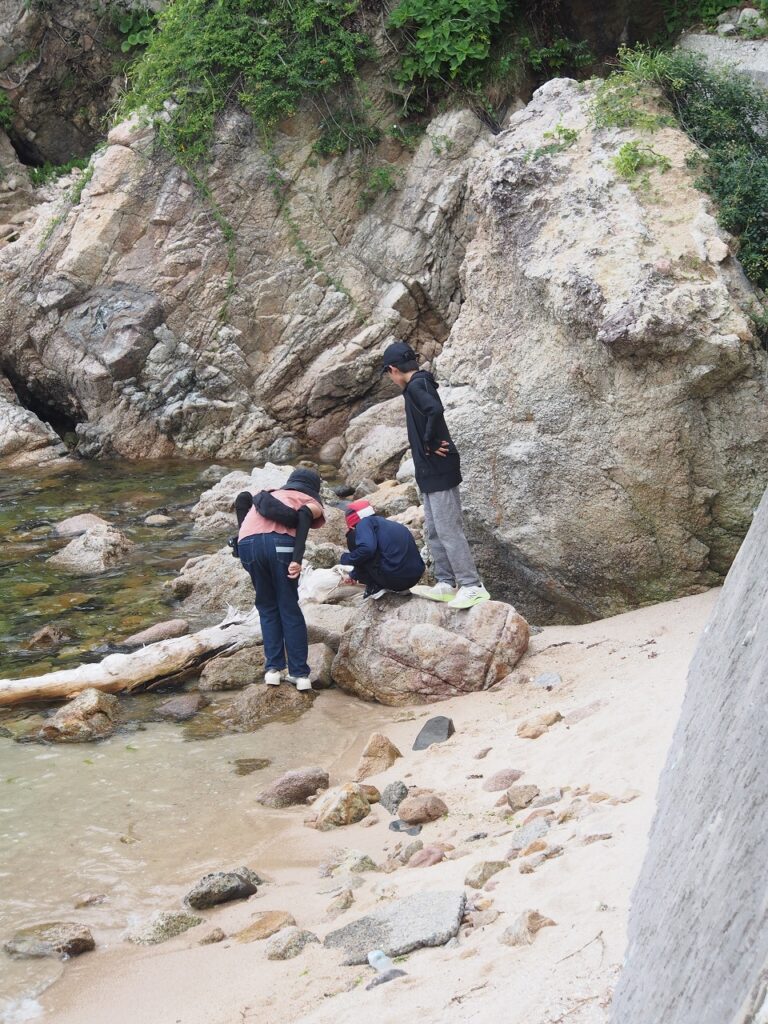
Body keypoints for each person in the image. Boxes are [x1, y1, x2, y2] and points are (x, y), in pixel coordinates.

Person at [381, 340, 490, 609]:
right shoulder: (416, 385)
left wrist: (429, 441)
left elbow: (435, 410)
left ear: (393, 369)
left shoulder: (417, 385)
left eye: (388, 374)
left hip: (439, 469)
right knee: (433, 529)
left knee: (448, 529)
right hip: (428, 471)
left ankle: (471, 585)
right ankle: (445, 582)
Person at [235, 467, 325, 690]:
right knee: (288, 607)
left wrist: (239, 545)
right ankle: (300, 674)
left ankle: (273, 670)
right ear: (314, 490)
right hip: (281, 546)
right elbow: (304, 514)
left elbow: (241, 501)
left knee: (267, 607)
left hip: (247, 545)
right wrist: (297, 558)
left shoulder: (270, 493)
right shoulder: (308, 500)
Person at [339, 498, 425, 599]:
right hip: (415, 575)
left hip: (394, 578)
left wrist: (345, 558)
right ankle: (401, 589)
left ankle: (375, 587)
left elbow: (367, 550)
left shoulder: (363, 523)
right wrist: (353, 575)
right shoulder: (388, 524)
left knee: (352, 538)